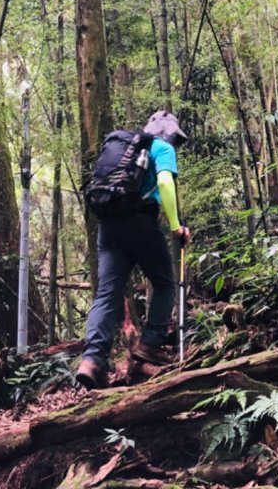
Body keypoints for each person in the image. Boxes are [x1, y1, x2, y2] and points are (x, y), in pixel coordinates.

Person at [76, 110, 192, 389]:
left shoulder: (125, 148)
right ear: (169, 133)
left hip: (108, 225)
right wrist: (176, 226)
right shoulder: (160, 147)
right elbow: (164, 182)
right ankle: (150, 344)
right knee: (165, 283)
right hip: (139, 222)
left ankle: (92, 361)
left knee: (107, 294)